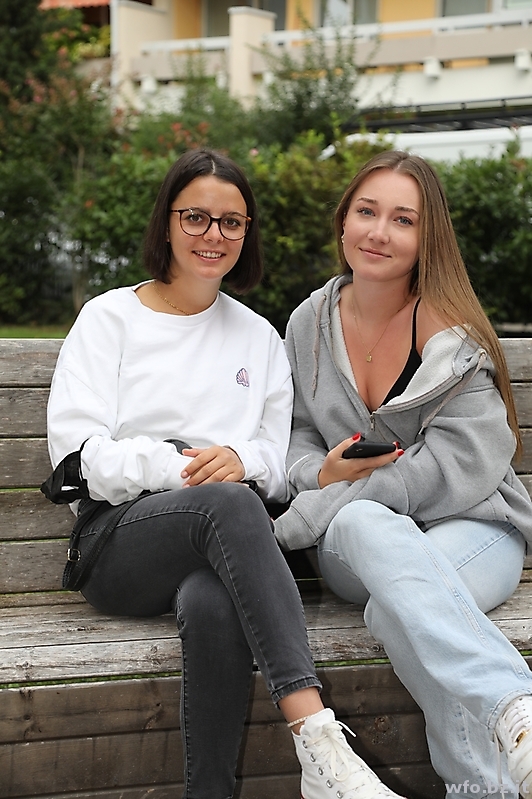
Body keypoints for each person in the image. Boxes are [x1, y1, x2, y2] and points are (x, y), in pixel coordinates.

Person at [46, 148, 406, 799]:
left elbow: (275, 461)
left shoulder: (258, 337)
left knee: (214, 598)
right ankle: (319, 740)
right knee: (231, 502)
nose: (213, 234)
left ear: (246, 233)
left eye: (231, 222)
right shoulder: (109, 318)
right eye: (196, 217)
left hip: (220, 548)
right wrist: (183, 465)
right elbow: (77, 459)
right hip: (119, 545)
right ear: (167, 222)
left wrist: (242, 461)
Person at [274, 150, 532, 799]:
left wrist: (325, 502)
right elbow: (294, 433)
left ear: (426, 238)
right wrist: (319, 474)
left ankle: (485, 784)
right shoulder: (307, 324)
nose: (379, 232)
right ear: (343, 221)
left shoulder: (451, 332)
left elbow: (463, 463)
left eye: (403, 219)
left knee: (400, 604)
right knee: (365, 525)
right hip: (353, 543)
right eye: (366, 211)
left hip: (475, 528)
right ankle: (513, 707)